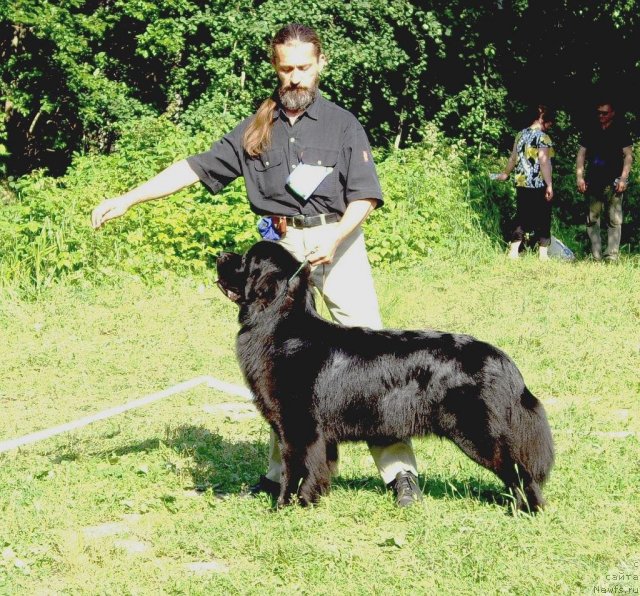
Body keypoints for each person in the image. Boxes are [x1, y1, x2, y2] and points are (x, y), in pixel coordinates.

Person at [91, 23, 422, 507]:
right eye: (286, 69)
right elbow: (196, 167)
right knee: (283, 367)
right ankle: (281, 474)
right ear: (275, 67)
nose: (294, 78)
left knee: (368, 361)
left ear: (320, 65)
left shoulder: (343, 124)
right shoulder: (255, 128)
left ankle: (400, 474)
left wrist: (335, 234)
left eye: (303, 68)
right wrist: (130, 197)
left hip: (338, 239)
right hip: (280, 256)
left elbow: (366, 195)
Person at [576, 99, 633, 261]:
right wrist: (579, 177)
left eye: (604, 113)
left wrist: (623, 178)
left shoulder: (621, 130)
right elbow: (581, 154)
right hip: (593, 182)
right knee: (592, 219)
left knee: (614, 220)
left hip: (614, 183)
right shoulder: (591, 129)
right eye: (598, 112)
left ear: (612, 113)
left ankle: (611, 256)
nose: (601, 115)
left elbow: (628, 156)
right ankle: (596, 256)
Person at [496, 105, 555, 260]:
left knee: (522, 216)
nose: (550, 127)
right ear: (544, 121)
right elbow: (544, 162)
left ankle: (513, 251)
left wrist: (505, 174)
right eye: (550, 123)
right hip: (539, 184)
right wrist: (549, 185)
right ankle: (543, 254)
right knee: (543, 217)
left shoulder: (520, 135)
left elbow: (513, 158)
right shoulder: (543, 138)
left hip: (522, 183)